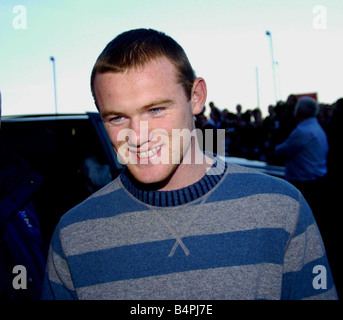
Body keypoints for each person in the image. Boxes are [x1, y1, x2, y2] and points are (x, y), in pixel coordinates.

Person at [41, 29, 337, 300]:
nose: (138, 136)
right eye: (117, 117)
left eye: (156, 110)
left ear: (196, 98)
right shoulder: (73, 236)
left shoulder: (281, 207)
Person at [274, 97, 329, 229]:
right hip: (316, 179)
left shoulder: (303, 131)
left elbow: (281, 152)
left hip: (304, 183)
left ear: (298, 111)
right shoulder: (317, 128)